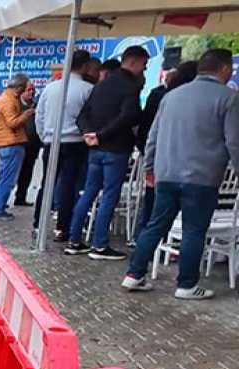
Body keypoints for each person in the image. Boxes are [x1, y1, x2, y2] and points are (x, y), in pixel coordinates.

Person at [122, 49, 239, 300]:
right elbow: (234, 142)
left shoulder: (171, 97)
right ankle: (187, 284)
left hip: (166, 174)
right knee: (194, 230)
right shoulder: (229, 98)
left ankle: (134, 273)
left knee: (156, 225)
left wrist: (150, 168)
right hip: (202, 177)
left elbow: (153, 136)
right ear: (224, 68)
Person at [64, 45, 149, 259]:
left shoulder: (100, 86)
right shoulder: (130, 88)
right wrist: (101, 135)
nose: (144, 69)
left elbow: (82, 115)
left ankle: (74, 239)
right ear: (134, 62)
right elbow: (128, 116)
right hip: (116, 149)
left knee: (89, 192)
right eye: (144, 64)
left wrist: (89, 134)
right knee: (110, 195)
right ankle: (99, 244)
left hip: (95, 149)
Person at [132, 61, 198, 240]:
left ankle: (143, 239)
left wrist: (148, 158)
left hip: (160, 159)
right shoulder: (194, 100)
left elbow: (147, 130)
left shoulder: (161, 95)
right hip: (185, 165)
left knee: (154, 209)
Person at [32, 50, 95, 240]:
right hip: (75, 142)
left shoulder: (50, 88)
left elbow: (39, 116)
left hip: (51, 141)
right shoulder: (87, 89)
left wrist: (44, 136)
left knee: (47, 183)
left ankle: (38, 223)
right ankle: (63, 226)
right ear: (85, 66)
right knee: (69, 185)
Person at [0, 74, 34, 220]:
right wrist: (26, 114)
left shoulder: (8, 98)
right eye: (26, 87)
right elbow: (12, 123)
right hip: (11, 144)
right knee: (7, 180)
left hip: (7, 143)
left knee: (4, 178)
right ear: (19, 87)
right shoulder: (8, 100)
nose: (28, 90)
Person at [14, 83, 40, 207]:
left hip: (33, 145)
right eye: (28, 90)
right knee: (14, 172)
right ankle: (2, 200)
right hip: (19, 144)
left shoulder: (36, 105)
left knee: (27, 172)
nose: (31, 92)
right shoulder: (16, 105)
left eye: (33, 90)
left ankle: (21, 197)